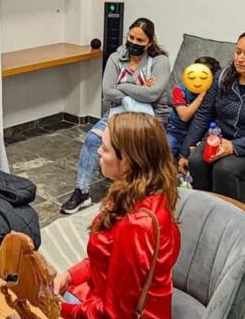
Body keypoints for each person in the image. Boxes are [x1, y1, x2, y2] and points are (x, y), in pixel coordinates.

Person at [53, 112, 181, 319]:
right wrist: (68, 275)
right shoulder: (142, 191)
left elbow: (112, 316)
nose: (98, 151)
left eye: (105, 148)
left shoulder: (136, 225)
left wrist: (60, 309)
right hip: (114, 303)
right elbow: (105, 260)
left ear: (127, 163)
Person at [61, 18, 171, 214]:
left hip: (150, 115)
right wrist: (139, 89)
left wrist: (122, 85)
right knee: (92, 139)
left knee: (135, 144)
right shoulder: (116, 58)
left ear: (150, 42)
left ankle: (136, 194)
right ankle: (82, 191)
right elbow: (107, 92)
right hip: (118, 112)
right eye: (131, 37)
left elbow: (153, 95)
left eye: (140, 40)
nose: (134, 43)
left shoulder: (159, 61)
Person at [178, 31, 245, 198]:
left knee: (224, 167)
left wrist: (233, 146)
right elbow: (204, 114)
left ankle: (226, 214)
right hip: (219, 139)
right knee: (196, 160)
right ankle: (203, 209)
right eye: (238, 52)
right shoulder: (221, 77)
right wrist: (185, 152)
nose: (240, 58)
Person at [165, 56, 221, 161]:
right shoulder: (179, 90)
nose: (197, 81)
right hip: (176, 133)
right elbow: (184, 116)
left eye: (203, 78)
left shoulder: (215, 95)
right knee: (166, 150)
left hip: (198, 137)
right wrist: (201, 96)